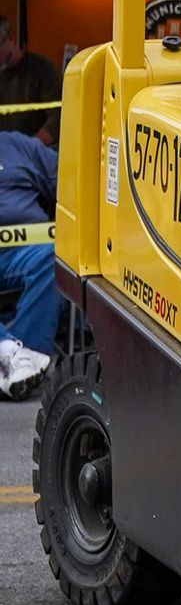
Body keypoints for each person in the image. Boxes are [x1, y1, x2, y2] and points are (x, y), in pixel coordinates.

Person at [0, 100, 57, 396]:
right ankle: (6, 352)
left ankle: (24, 363)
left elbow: (73, 181)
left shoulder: (19, 147)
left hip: (23, 250)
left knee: (52, 255)